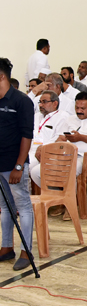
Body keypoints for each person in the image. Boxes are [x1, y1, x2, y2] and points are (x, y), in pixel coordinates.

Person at [33, 92, 87, 218]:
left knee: (68, 171)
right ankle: (61, 200)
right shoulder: (70, 119)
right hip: (66, 156)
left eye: (82, 108)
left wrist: (81, 137)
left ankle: (70, 206)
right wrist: (46, 148)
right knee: (36, 171)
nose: (79, 111)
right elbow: (61, 138)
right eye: (77, 108)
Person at [0, 58, 35, 271]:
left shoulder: (21, 101)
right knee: (5, 207)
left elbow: (26, 135)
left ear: (1, 77)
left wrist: (19, 166)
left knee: (23, 206)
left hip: (15, 165)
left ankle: (26, 251)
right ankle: (6, 247)